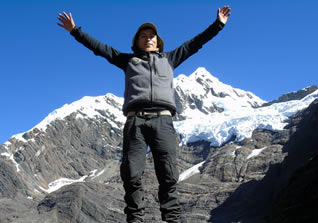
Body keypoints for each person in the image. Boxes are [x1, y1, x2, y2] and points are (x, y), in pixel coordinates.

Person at [57, 6, 231, 223]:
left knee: (168, 173)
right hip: (135, 121)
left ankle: (172, 219)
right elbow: (100, 49)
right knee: (131, 173)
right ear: (136, 41)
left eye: (152, 36)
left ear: (158, 42)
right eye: (143, 36)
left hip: (163, 120)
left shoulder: (170, 59)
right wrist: (75, 31)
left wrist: (218, 24)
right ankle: (135, 219)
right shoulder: (128, 61)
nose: (148, 39)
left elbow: (195, 43)